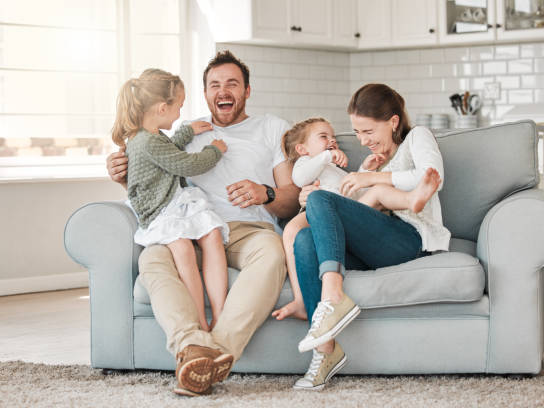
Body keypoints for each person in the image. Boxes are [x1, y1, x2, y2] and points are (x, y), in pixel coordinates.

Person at [106, 51, 300, 397]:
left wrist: (265, 192)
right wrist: (122, 176)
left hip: (247, 230)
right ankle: (191, 346)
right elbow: (150, 180)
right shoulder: (183, 132)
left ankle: (211, 355)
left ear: (247, 90)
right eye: (214, 85)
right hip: (191, 229)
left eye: (232, 84)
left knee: (272, 254)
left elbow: (292, 196)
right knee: (152, 258)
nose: (223, 91)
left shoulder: (272, 128)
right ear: (205, 93)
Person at [291, 83, 451, 391]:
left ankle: (333, 298)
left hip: (410, 238)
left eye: (368, 131)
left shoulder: (418, 136)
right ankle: (325, 352)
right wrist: (313, 197)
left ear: (393, 122)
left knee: (321, 202)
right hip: (374, 240)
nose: (362, 141)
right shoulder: (373, 161)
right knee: (304, 240)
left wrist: (372, 177)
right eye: (357, 132)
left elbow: (432, 174)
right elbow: (358, 209)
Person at [272, 117, 441, 322]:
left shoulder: (333, 169)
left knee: (378, 192)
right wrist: (327, 156)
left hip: (343, 216)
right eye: (323, 137)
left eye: (333, 137)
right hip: (320, 213)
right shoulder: (307, 162)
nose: (332, 140)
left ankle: (410, 199)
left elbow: (351, 194)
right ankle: (303, 303)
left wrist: (365, 170)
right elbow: (300, 178)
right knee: (296, 233)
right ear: (302, 149)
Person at [111, 68, 230, 334]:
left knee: (211, 234)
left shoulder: (148, 137)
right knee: (185, 252)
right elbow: (186, 164)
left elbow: (168, 152)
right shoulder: (147, 142)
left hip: (169, 204)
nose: (179, 114)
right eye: (179, 107)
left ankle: (219, 312)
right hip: (160, 211)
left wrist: (186, 132)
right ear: (162, 108)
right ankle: (200, 320)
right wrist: (215, 150)